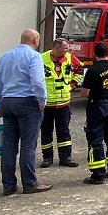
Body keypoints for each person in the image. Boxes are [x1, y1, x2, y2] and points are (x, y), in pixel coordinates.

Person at [0, 29, 51, 195]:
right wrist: (42, 101)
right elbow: (38, 82)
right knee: (28, 145)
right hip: (27, 102)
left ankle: (8, 185)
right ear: (34, 39)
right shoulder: (34, 56)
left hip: (7, 102)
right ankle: (30, 183)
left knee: (9, 145)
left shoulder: (5, 56)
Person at [80, 42, 108, 184]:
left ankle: (98, 174)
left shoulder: (92, 70)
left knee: (95, 138)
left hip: (97, 105)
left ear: (94, 54)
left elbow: (84, 93)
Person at [40, 38, 83, 168]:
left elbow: (80, 69)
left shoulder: (70, 58)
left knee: (63, 130)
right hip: (47, 104)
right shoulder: (41, 59)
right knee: (46, 131)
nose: (68, 50)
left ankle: (65, 157)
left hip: (64, 103)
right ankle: (47, 158)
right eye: (65, 48)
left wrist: (73, 84)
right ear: (56, 48)